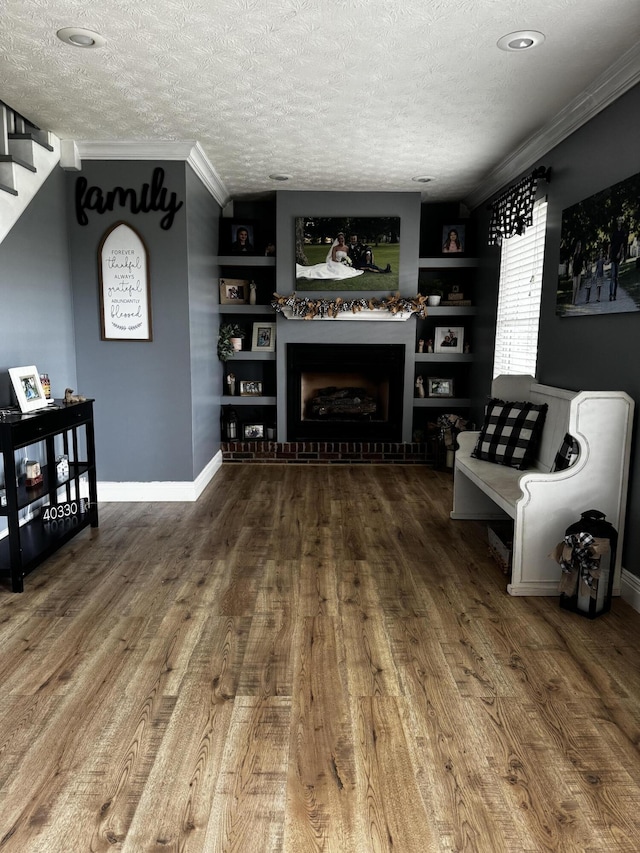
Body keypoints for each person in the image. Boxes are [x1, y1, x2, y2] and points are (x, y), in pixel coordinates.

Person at [296, 233, 364, 280]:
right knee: (329, 271)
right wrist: (340, 262)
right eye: (340, 239)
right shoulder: (335, 248)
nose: (341, 240)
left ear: (344, 239)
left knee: (349, 271)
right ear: (338, 240)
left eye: (342, 238)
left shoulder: (347, 248)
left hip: (343, 263)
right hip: (335, 262)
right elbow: (333, 258)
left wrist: (347, 261)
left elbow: (348, 256)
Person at [609, 216, 628, 301]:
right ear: (617, 222)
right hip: (613, 255)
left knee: (616, 277)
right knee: (612, 276)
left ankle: (615, 295)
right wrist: (610, 256)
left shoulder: (623, 232)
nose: (619, 222)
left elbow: (622, 244)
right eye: (618, 220)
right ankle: (610, 294)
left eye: (621, 220)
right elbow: (611, 244)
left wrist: (620, 253)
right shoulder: (614, 232)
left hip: (618, 256)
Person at [571, 239, 584, 305]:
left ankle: (576, 301)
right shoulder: (575, 254)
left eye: (580, 246)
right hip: (575, 271)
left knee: (578, 287)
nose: (579, 247)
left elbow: (582, 263)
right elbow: (573, 263)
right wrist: (572, 272)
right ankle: (573, 300)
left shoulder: (581, 255)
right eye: (579, 246)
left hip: (579, 271)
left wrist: (583, 268)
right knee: (574, 286)